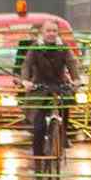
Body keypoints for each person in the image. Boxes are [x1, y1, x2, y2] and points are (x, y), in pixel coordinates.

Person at [20, 20, 81, 161]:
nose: (51, 34)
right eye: (48, 31)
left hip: (59, 85)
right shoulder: (35, 48)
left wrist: (76, 79)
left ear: (57, 33)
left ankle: (62, 134)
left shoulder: (63, 47)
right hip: (40, 87)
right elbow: (26, 65)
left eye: (54, 31)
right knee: (39, 127)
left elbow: (72, 63)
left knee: (65, 105)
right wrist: (26, 81)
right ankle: (38, 160)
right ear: (42, 32)